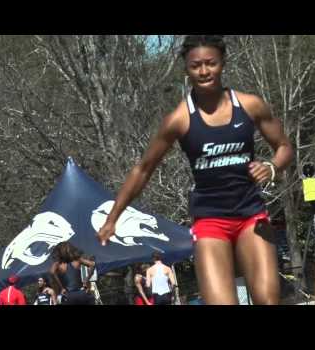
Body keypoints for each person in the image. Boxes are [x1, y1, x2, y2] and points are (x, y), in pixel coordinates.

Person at [97, 35, 294, 305]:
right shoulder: (179, 119)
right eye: (195, 66)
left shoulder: (249, 105)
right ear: (186, 70)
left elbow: (284, 147)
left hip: (251, 215)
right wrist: (112, 218)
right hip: (210, 220)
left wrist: (272, 167)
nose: (203, 71)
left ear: (222, 63)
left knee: (268, 300)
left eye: (210, 63)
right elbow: (143, 169)